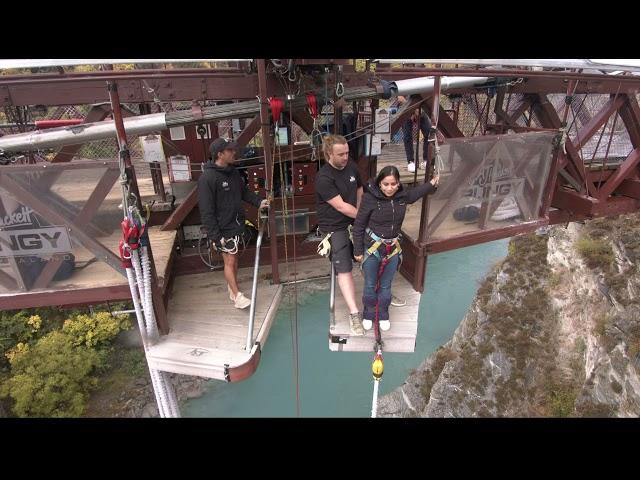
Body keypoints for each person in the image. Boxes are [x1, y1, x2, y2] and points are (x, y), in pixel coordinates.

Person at [352, 165, 439, 331]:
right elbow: (359, 225)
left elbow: (416, 193)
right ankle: (369, 313)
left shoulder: (402, 196)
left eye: (393, 184)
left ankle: (383, 313)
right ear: (379, 184)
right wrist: (357, 251)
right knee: (370, 284)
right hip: (373, 247)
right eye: (386, 184)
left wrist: (432, 183)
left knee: (386, 285)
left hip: (392, 249)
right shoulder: (370, 198)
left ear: (398, 184)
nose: (390, 188)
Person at [198, 137, 269, 309]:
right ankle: (237, 296)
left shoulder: (233, 172)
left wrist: (259, 202)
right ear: (220, 154)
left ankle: (232, 288)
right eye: (229, 151)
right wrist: (215, 236)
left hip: (237, 223)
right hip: (222, 229)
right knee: (229, 261)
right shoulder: (207, 178)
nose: (234, 153)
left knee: (234, 259)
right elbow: (206, 211)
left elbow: (244, 193)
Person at [316, 134, 365, 335]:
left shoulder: (352, 167)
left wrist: (361, 213)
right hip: (336, 226)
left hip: (356, 219)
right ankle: (354, 313)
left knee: (375, 255)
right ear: (329, 154)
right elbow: (341, 206)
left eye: (347, 153)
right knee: (344, 269)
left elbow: (360, 189)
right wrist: (364, 219)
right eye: (341, 154)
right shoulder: (323, 178)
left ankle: (382, 295)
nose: (345, 157)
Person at [397, 95, 434, 173]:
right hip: (405, 109)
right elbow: (400, 98)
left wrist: (418, 111)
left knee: (429, 133)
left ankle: (426, 160)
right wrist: (412, 110)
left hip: (421, 109)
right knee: (407, 136)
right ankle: (411, 161)